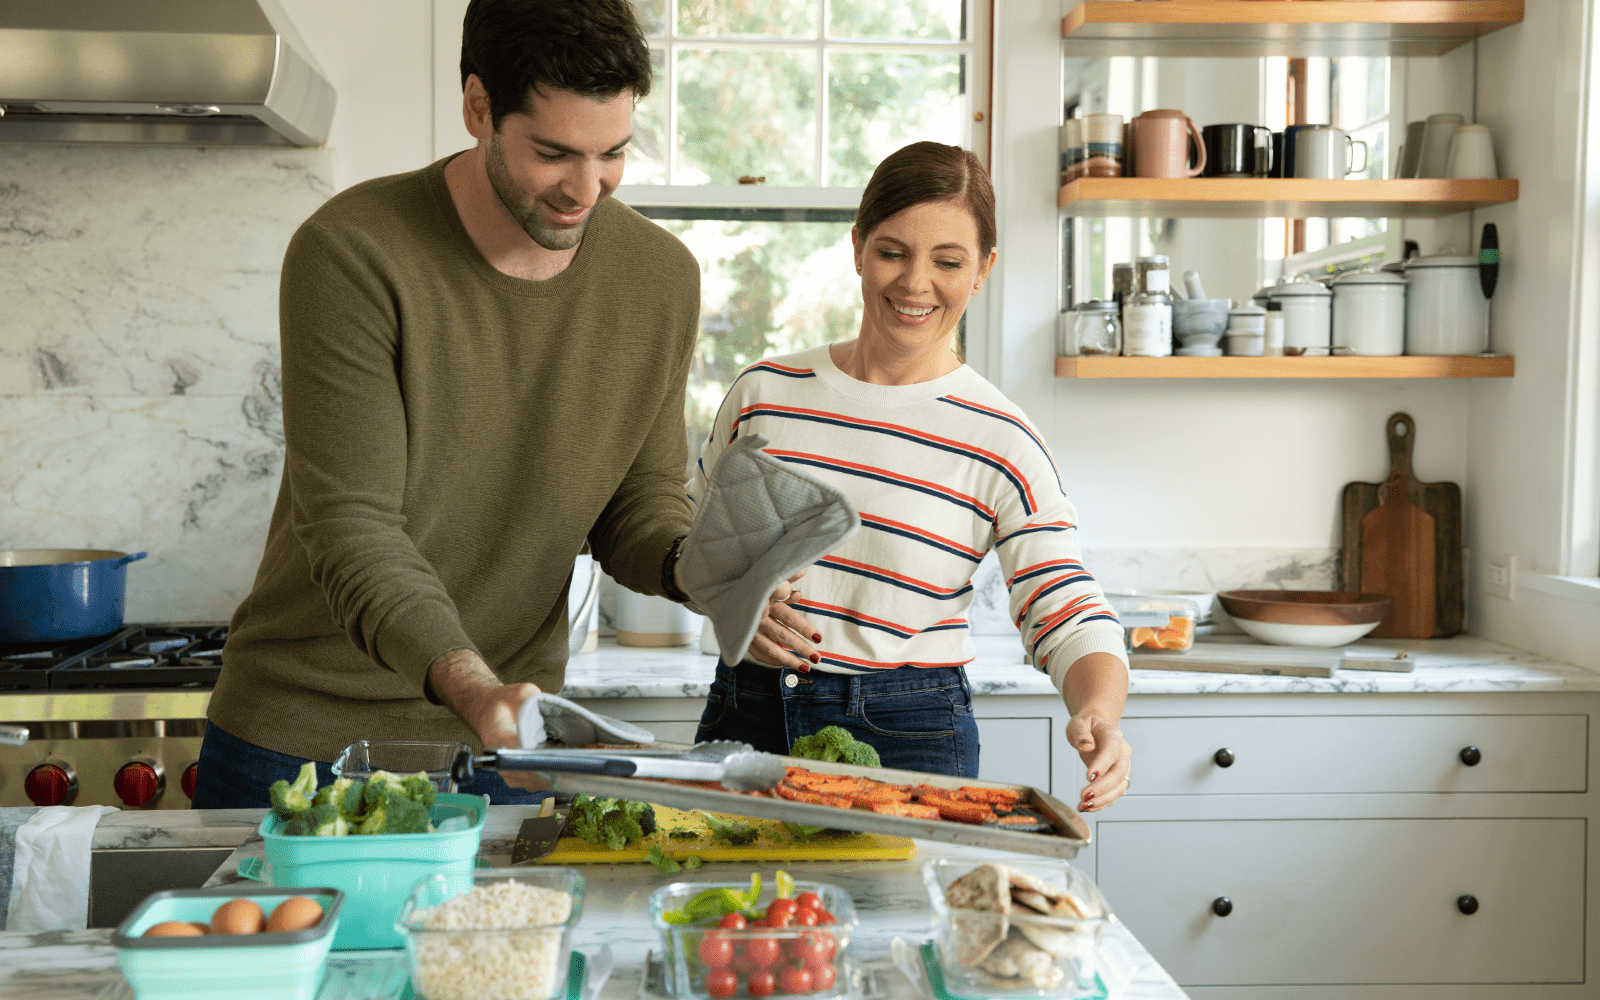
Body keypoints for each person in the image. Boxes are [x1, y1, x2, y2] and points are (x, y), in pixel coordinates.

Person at [193, 0, 705, 807]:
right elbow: (354, 528)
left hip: (505, 754)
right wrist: (476, 692)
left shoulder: (661, 278)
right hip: (302, 746)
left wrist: (700, 567)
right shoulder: (353, 252)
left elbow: (638, 502)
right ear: (477, 109)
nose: (586, 188)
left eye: (613, 153)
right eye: (554, 153)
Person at [691, 142, 1133, 813]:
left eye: (948, 261)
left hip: (906, 731)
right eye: (893, 252)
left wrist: (1099, 710)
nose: (915, 283)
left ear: (982, 270)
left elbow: (1066, 609)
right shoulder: (764, 394)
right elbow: (688, 547)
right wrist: (733, 604)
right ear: (858, 248)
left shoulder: (1001, 438)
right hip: (745, 715)